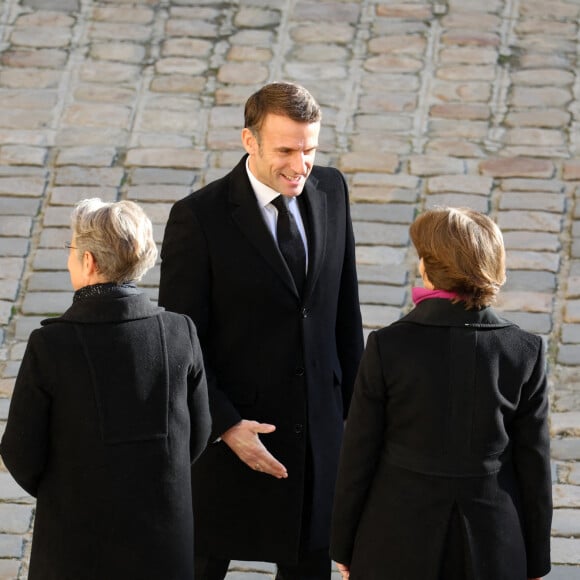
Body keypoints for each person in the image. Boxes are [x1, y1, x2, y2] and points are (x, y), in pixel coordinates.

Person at [158, 81, 364, 580]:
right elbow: (182, 344)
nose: (300, 165)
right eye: (286, 150)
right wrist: (226, 425)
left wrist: (359, 422)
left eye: (310, 149)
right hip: (230, 443)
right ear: (249, 140)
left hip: (317, 439)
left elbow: (344, 315)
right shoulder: (197, 219)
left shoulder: (332, 191)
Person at [330, 206, 552, 580]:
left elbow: (358, 454)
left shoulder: (388, 346)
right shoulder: (525, 350)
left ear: (428, 269)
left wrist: (344, 545)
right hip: (494, 539)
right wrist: (536, 558)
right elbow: (534, 464)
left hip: (394, 536)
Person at [0, 198, 211, 580]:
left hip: (75, 549)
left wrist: (67, 494)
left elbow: (19, 451)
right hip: (163, 545)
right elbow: (198, 434)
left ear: (89, 263)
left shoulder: (51, 346)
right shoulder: (181, 332)